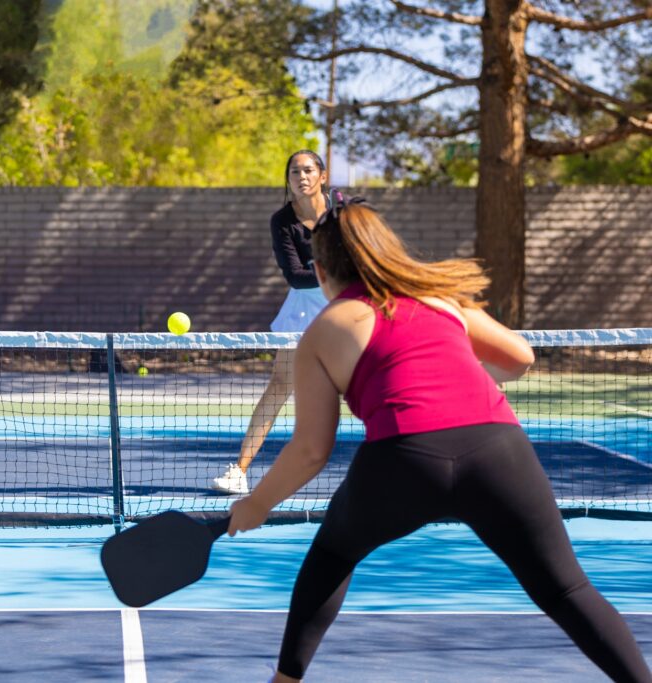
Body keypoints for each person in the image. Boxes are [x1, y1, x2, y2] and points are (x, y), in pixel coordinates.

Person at [228, 199, 652, 682]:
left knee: (332, 555)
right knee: (567, 590)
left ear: (321, 271)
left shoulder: (324, 330)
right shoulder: (439, 299)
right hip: (498, 450)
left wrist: (258, 503)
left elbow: (311, 450)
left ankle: (284, 680)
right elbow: (519, 358)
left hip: (403, 460)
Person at [211, 149, 340, 495]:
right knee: (280, 386)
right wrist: (336, 271)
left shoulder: (343, 212)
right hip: (302, 311)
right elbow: (296, 277)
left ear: (322, 176)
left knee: (370, 382)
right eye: (294, 172)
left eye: (308, 170)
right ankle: (239, 470)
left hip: (347, 307)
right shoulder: (282, 222)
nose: (301, 177)